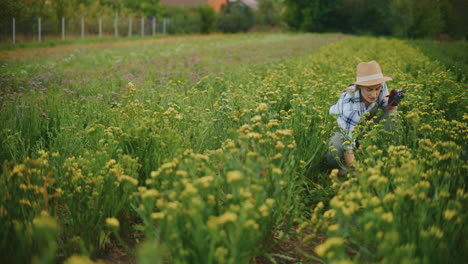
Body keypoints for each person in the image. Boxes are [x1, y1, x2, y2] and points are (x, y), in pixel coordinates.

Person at [326, 60, 402, 175]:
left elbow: (387, 112)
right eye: (369, 90)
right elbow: (347, 139)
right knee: (332, 155)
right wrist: (353, 170)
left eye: (377, 89)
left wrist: (393, 103)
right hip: (342, 130)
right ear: (360, 86)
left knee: (393, 116)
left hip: (362, 128)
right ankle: (347, 165)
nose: (374, 94)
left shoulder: (380, 86)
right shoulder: (349, 103)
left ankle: (388, 155)